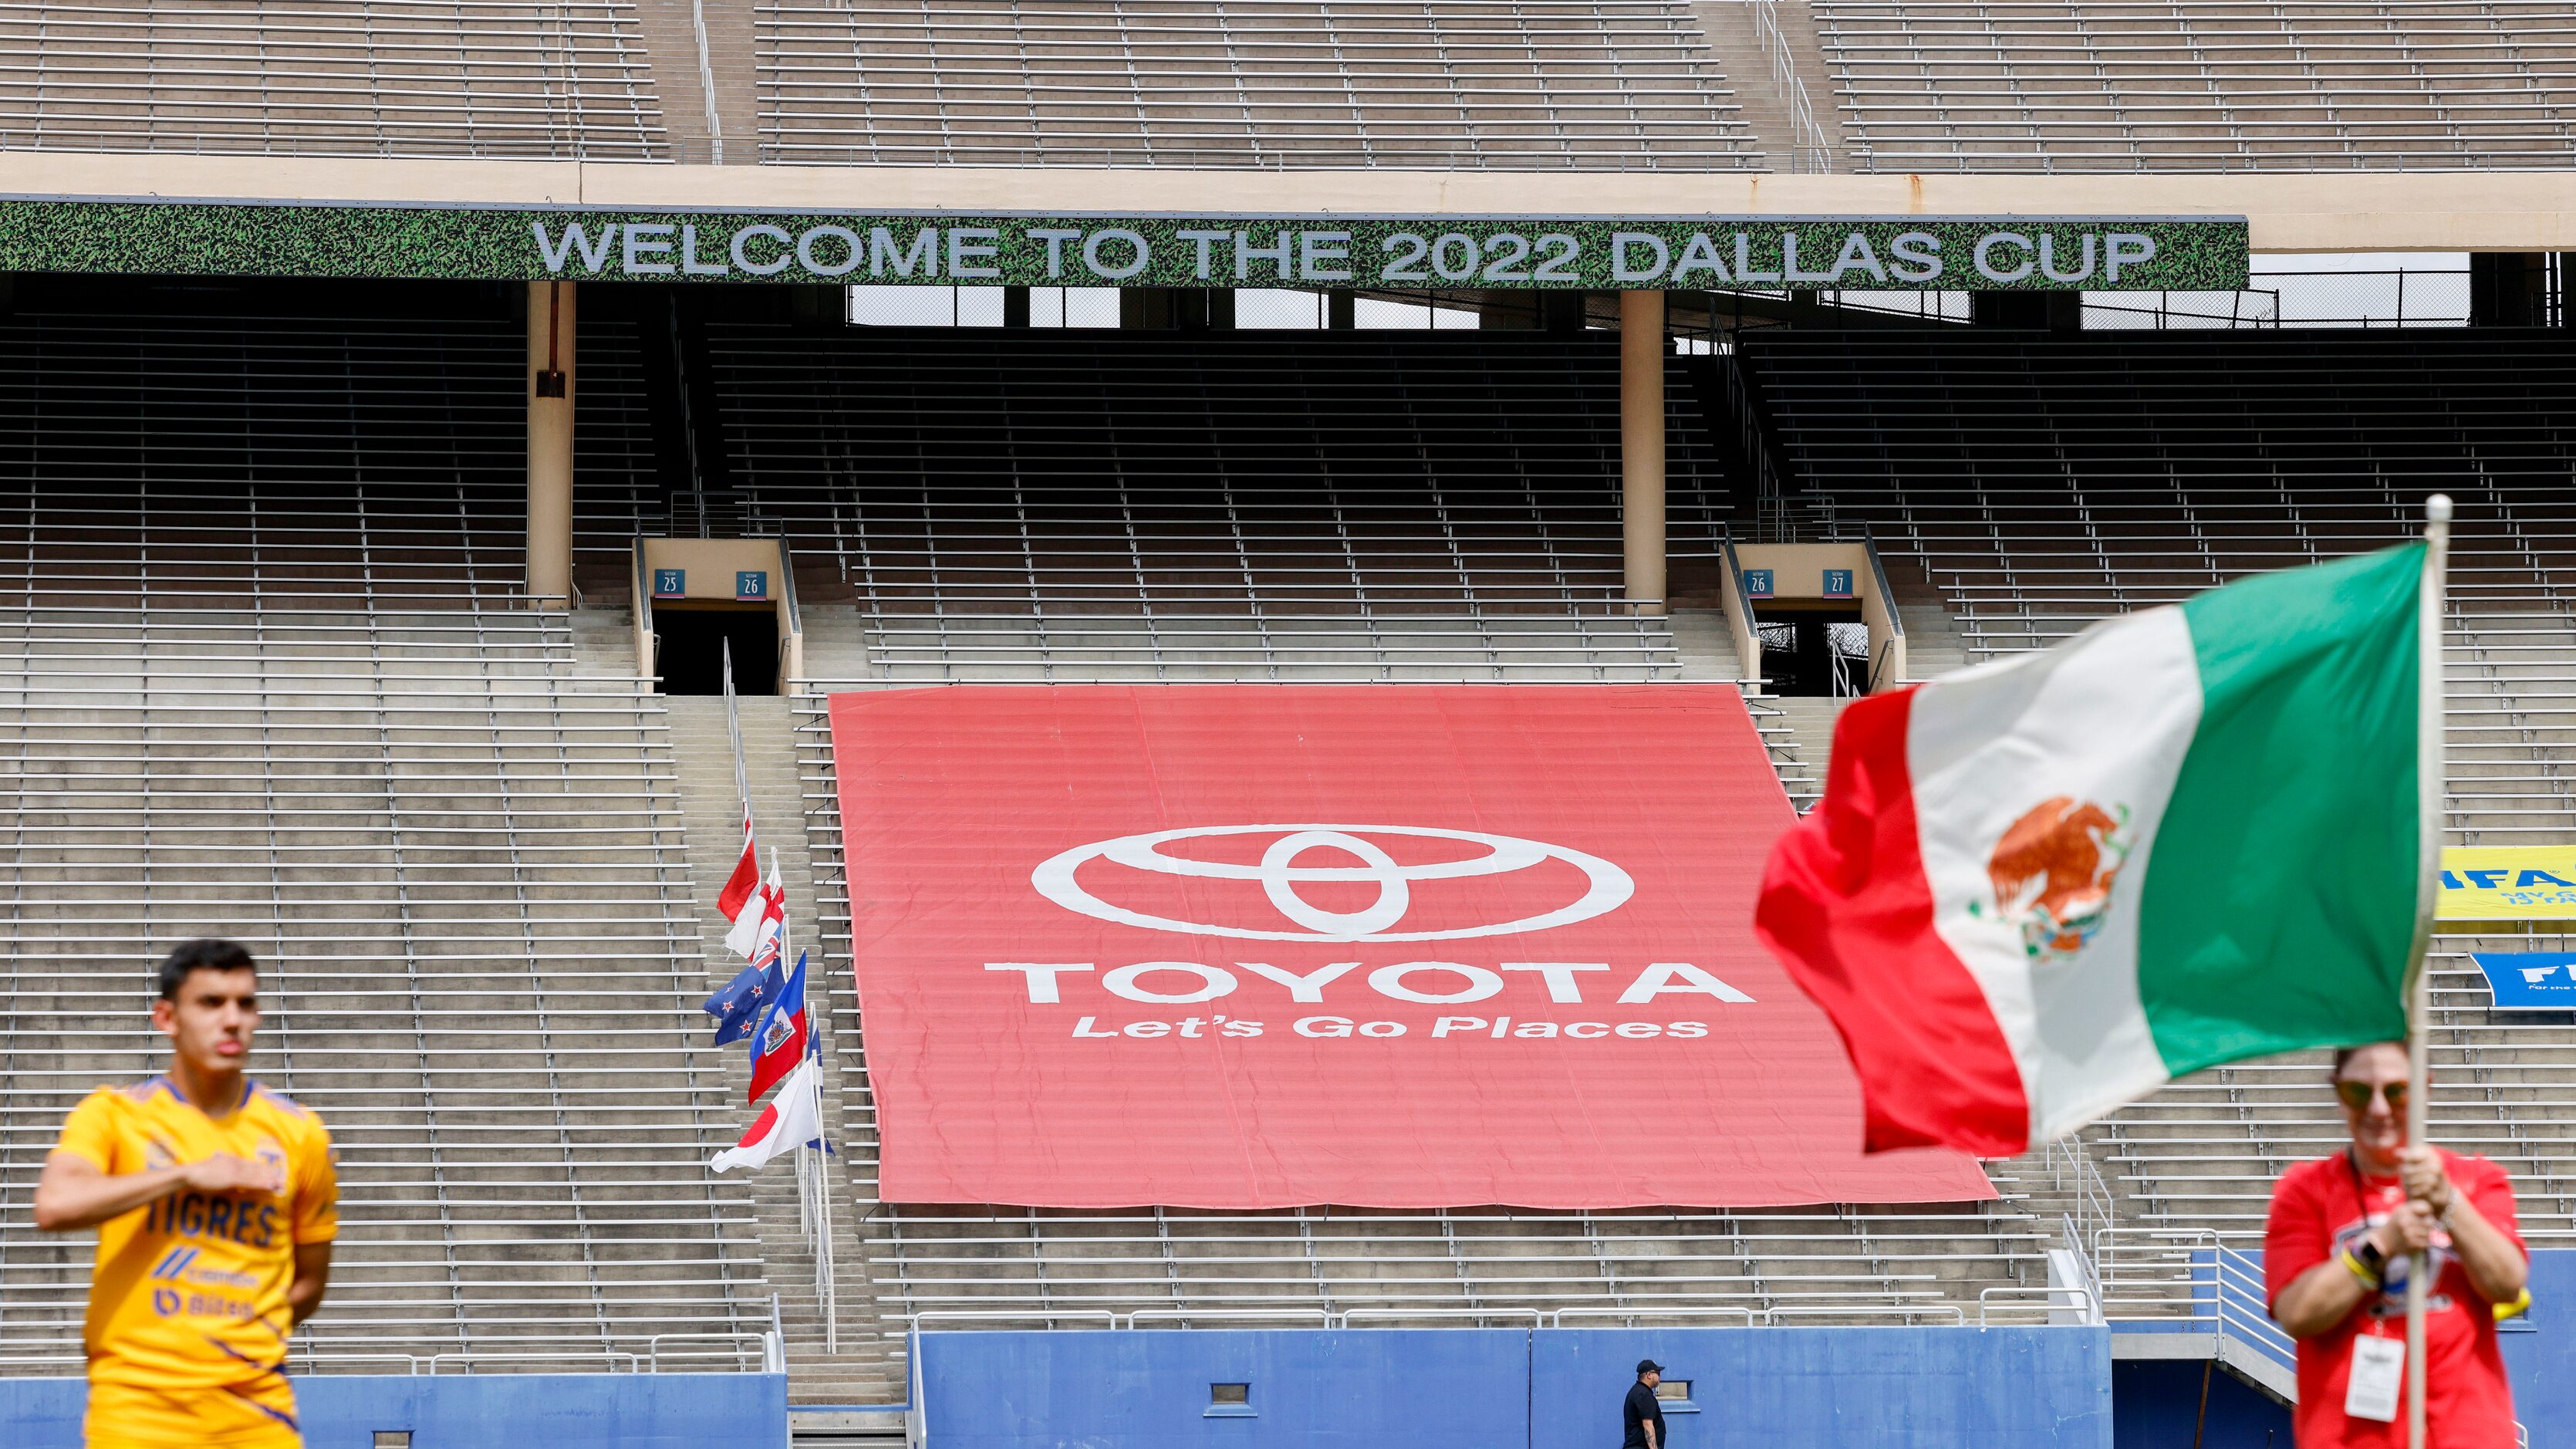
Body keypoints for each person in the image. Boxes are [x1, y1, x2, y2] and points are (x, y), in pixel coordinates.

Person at [32, 940, 339, 1449]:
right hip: (137, 1411)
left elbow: (310, 1282)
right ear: (167, 1018)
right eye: (211, 1003)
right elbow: (56, 1205)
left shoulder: (301, 1134)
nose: (233, 1019)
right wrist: (185, 1176)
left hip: (256, 1412)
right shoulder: (113, 1115)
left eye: (246, 1003)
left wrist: (236, 1333)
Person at [2265, 1041, 2526, 1447]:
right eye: (2358, 1091)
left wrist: (2447, 1201)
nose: (2379, 1110)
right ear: (2337, 1092)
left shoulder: (2477, 1179)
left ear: (2424, 1088)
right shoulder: (2303, 1191)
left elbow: (2507, 1283)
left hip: (2468, 1434)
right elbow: (2297, 1312)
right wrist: (2380, 1247)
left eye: (2396, 1090)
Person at [1622, 1358, 1668, 1449]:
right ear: (1649, 1375)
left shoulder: (1636, 1391)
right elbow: (1648, 1426)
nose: (1660, 1377)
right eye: (1658, 1373)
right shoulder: (1644, 1395)